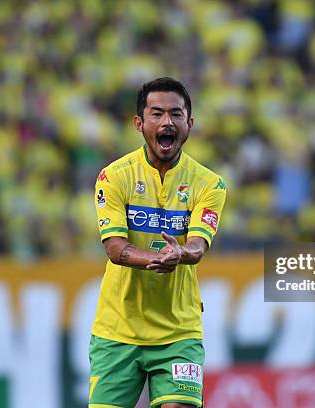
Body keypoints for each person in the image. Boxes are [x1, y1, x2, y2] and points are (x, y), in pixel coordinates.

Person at [89, 77, 227, 408]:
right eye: (157, 114)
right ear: (139, 123)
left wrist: (181, 253)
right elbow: (115, 249)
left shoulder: (210, 184)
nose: (167, 122)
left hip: (179, 333)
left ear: (189, 124)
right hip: (117, 330)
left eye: (176, 114)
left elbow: (198, 245)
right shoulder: (114, 176)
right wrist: (154, 260)